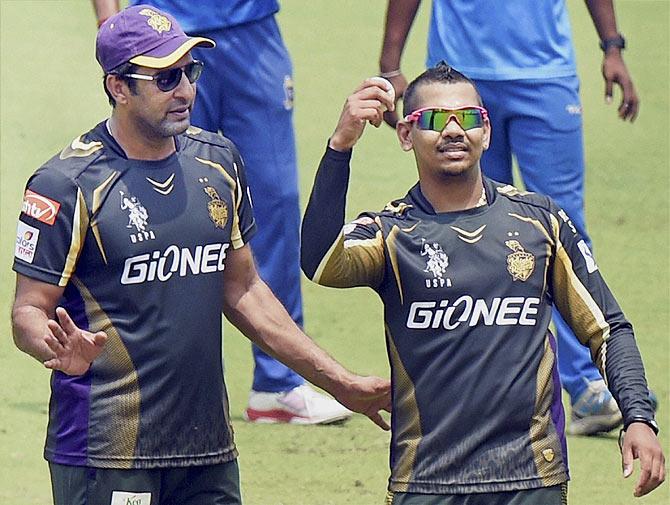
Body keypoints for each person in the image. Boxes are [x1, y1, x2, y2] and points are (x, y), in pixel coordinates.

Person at [11, 6, 390, 504]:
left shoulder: (218, 162)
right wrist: (56, 347)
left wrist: (339, 381)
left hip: (207, 451)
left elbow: (246, 291)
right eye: (166, 78)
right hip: (107, 452)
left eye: (190, 72)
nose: (187, 90)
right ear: (118, 86)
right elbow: (27, 311)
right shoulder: (66, 185)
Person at [300, 65, 664, 504]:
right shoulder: (391, 234)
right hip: (427, 482)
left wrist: (638, 417)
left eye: (468, 118)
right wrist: (340, 147)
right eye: (434, 120)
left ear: (486, 131)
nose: (454, 131)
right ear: (405, 135)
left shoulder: (540, 222)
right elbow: (320, 262)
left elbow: (607, 330)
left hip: (531, 480)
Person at [378, 0, 642, 436]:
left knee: (561, 233)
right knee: (469, 235)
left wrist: (612, 46)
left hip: (545, 74)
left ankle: (586, 382)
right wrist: (390, 65)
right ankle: (483, 384)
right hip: (460, 81)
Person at [90, 0, 352, 425]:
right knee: (165, 203)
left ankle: (278, 385)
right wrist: (108, 18)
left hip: (252, 29)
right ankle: (162, 385)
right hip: (161, 36)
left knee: (276, 202)